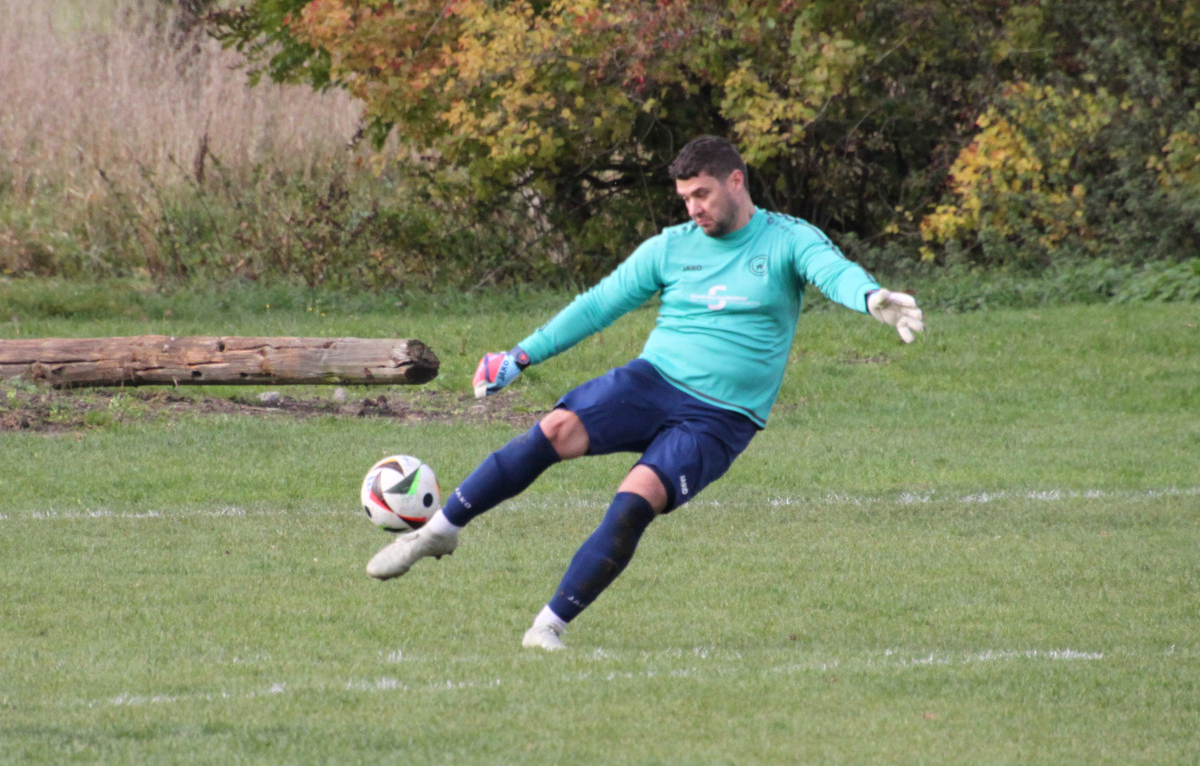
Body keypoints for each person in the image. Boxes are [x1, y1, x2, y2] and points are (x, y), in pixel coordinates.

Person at [366, 135, 924, 650]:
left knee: (635, 501)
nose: (693, 208)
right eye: (684, 198)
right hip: (653, 380)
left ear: (736, 181)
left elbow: (831, 270)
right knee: (555, 429)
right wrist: (520, 355)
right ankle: (434, 536)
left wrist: (870, 296)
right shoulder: (671, 247)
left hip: (720, 418)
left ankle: (548, 627)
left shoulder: (786, 239)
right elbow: (598, 303)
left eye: (701, 194)